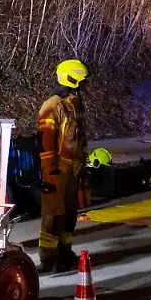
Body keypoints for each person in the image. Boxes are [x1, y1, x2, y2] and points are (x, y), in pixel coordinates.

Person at [37, 59, 90, 272]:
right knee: (53, 213)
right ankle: (48, 257)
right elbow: (45, 141)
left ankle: (65, 250)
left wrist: (83, 162)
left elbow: (81, 136)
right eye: (82, 81)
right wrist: (50, 170)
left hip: (73, 167)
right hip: (56, 168)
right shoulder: (53, 106)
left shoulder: (75, 103)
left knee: (70, 211)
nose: (85, 85)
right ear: (72, 79)